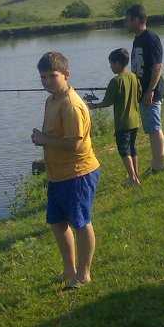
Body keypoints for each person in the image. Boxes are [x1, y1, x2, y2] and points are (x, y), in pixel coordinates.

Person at [31, 52, 101, 290]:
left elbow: (75, 144)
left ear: (66, 75)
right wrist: (44, 138)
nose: (47, 81)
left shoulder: (71, 104)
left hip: (77, 173)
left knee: (81, 223)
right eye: (43, 77)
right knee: (58, 222)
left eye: (53, 76)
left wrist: (43, 140)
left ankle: (84, 274)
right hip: (57, 175)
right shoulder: (51, 100)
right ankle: (69, 270)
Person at [89, 48, 142, 185]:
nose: (110, 66)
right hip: (135, 121)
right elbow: (139, 94)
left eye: (111, 63)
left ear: (118, 63)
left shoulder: (115, 81)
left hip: (123, 123)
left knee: (124, 151)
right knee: (132, 148)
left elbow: (107, 102)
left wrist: (94, 106)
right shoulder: (134, 77)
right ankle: (136, 176)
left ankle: (132, 179)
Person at [127, 5, 164, 173]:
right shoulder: (137, 39)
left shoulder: (151, 38)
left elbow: (158, 66)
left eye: (127, 20)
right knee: (151, 128)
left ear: (136, 20)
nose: (126, 23)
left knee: (154, 128)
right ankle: (156, 163)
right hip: (143, 92)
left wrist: (151, 90)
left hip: (151, 92)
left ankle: (158, 166)